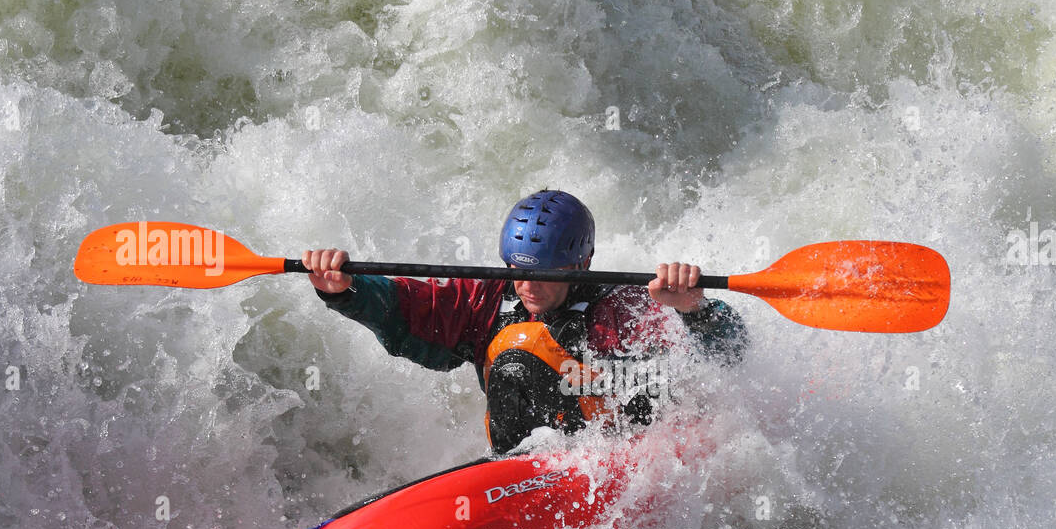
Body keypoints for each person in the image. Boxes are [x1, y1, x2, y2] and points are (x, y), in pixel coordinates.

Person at [304, 189, 746, 453]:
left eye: (542, 273)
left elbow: (731, 354)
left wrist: (694, 309)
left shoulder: (624, 308)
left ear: (579, 265)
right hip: (518, 469)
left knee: (523, 353)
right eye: (517, 270)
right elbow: (406, 304)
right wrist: (346, 289)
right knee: (517, 350)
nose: (527, 286)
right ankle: (510, 474)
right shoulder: (486, 299)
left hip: (607, 459)